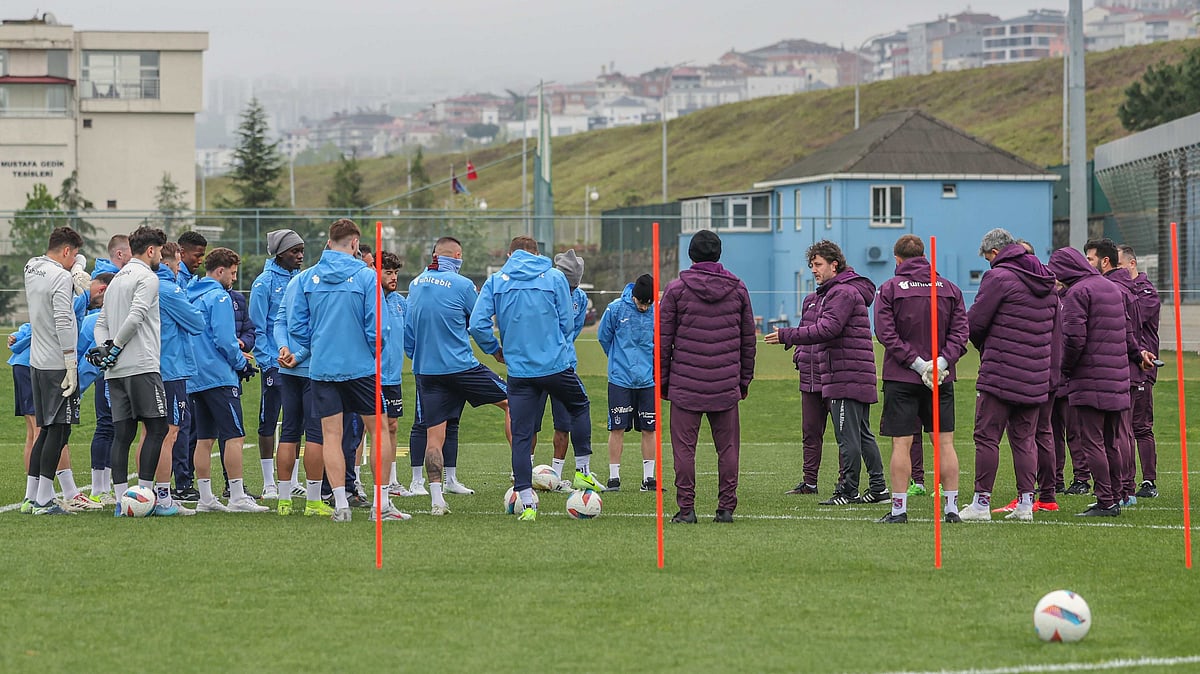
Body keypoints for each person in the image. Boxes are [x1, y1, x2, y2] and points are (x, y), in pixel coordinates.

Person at [470, 236, 600, 522]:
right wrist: (552, 343)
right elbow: (567, 322)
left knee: (522, 434)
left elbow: (477, 325)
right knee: (579, 405)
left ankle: (527, 503)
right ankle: (582, 471)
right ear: (538, 253)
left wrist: (495, 350)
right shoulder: (554, 277)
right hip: (555, 366)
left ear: (510, 255)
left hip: (520, 372)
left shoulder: (496, 281)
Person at [766, 240, 887, 507]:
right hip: (850, 373)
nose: (814, 270)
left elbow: (827, 329)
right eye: (811, 265)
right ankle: (878, 488)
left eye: (818, 264)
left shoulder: (841, 292)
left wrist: (787, 335)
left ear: (835, 265)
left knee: (848, 437)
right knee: (862, 433)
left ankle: (848, 490)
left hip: (845, 375)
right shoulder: (837, 291)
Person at [288, 219, 387, 522]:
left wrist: (319, 344)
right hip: (360, 367)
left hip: (323, 368)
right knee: (379, 431)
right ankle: (381, 504)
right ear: (355, 244)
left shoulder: (306, 278)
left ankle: (341, 504)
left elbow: (296, 327)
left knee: (331, 436)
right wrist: (372, 351)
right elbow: (377, 327)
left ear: (329, 243)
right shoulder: (367, 277)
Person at [407, 236, 513, 514]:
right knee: (513, 402)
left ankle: (437, 500)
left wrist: (418, 357)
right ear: (456, 256)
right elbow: (478, 324)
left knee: (435, 435)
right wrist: (495, 351)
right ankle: (522, 475)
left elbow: (408, 332)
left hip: (427, 371)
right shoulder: (463, 285)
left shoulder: (415, 284)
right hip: (461, 368)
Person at [959, 229, 1057, 521]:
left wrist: (983, 346)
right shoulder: (1046, 280)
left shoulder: (998, 277)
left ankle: (981, 503)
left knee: (986, 437)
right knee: (1025, 439)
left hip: (1001, 370)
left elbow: (975, 323)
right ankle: (1026, 503)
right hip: (1036, 372)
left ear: (995, 252)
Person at [1048, 247, 1153, 517]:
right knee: (1111, 442)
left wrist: (1064, 370)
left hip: (1090, 379)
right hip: (1118, 378)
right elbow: (1128, 333)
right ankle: (1117, 495)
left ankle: (1105, 500)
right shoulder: (1112, 288)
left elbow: (1074, 339)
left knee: (1092, 442)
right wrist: (1138, 355)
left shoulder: (1077, 293)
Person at [871, 234, 967, 523]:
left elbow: (885, 333)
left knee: (901, 444)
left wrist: (916, 363)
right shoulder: (950, 288)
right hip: (941, 377)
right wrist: (941, 362)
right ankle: (951, 508)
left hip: (902, 376)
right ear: (924, 256)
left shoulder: (889, 288)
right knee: (944, 443)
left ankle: (899, 510)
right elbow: (961, 333)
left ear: (897, 259)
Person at [664, 230, 756, 523]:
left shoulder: (676, 289)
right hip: (725, 382)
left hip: (685, 383)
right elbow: (748, 340)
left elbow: (663, 341)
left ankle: (686, 509)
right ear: (718, 254)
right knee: (728, 450)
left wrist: (664, 382)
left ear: (691, 255)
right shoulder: (738, 288)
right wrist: (744, 380)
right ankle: (726, 508)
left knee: (684, 450)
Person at [91, 227, 178, 516]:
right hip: (141, 365)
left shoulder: (117, 279)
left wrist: (105, 349)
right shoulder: (148, 277)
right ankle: (144, 498)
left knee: (123, 433)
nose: (160, 258)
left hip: (115, 371)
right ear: (151, 250)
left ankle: (121, 502)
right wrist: (115, 347)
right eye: (159, 252)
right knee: (158, 428)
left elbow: (100, 322)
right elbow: (137, 315)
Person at [187, 247, 268, 513]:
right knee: (235, 436)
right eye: (232, 273)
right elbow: (224, 339)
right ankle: (236, 496)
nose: (234, 279)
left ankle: (205, 498)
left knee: (204, 438)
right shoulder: (219, 297)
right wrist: (241, 363)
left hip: (196, 377)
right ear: (220, 271)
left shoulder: (191, 294)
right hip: (219, 377)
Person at [20, 226, 84, 515]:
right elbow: (63, 320)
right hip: (58, 362)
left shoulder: (32, 267)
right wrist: (71, 361)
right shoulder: (60, 277)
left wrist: (76, 266)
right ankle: (44, 500)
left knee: (45, 430)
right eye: (74, 255)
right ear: (67, 251)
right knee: (59, 431)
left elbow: (63, 262)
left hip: (36, 361)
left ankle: (31, 496)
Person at [1086, 238, 1153, 507]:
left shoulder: (1116, 290)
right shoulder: (1127, 288)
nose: (1087, 264)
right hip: (1127, 366)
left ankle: (1125, 489)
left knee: (1121, 432)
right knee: (1121, 431)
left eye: (1090, 259)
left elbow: (1127, 333)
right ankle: (1124, 489)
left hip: (1122, 368)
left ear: (1105, 261)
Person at [147, 242, 204, 516]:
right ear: (168, 262)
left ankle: (145, 493)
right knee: (169, 433)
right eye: (178, 262)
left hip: (150, 366)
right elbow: (197, 322)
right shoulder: (168, 289)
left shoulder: (145, 284)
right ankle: (163, 497)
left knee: (149, 434)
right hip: (170, 368)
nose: (180, 267)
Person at [250, 229, 305, 500]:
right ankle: (269, 482)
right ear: (280, 253)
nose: (300, 255)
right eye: (295, 251)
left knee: (296, 421)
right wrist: (267, 361)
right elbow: (258, 327)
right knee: (269, 420)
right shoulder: (264, 283)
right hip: (275, 363)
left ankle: (292, 480)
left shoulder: (302, 280)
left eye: (301, 250)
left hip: (300, 363)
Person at [273, 273, 334, 517]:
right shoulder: (325, 284)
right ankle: (313, 502)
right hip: (312, 369)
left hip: (287, 368)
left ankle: (284, 501)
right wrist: (298, 356)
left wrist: (283, 348)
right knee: (315, 434)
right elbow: (322, 330)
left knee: (289, 431)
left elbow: (279, 321)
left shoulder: (294, 282)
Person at [534, 249, 590, 490]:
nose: (571, 291)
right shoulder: (542, 291)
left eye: (574, 287)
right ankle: (523, 472)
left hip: (565, 365)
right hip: (536, 366)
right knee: (530, 424)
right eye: (568, 286)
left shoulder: (581, 298)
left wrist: (562, 350)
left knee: (563, 424)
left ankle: (555, 476)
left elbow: (573, 329)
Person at [597, 274, 657, 492]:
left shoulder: (657, 312)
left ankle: (648, 479)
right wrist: (617, 361)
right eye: (641, 303)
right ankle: (614, 478)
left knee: (649, 428)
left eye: (648, 304)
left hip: (648, 380)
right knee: (617, 427)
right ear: (634, 296)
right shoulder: (615, 309)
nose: (644, 307)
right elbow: (604, 337)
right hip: (620, 379)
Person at [1118, 244, 1162, 498]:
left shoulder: (1146, 293)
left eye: (1119, 265)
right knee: (1121, 427)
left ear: (1132, 264)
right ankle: (1124, 482)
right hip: (1122, 366)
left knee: (1141, 426)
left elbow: (1130, 319)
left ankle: (1148, 481)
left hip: (1143, 366)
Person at [371, 251, 412, 520]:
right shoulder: (369, 300)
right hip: (370, 376)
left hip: (393, 377)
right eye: (388, 272)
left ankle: (393, 480)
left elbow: (409, 336)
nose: (393, 277)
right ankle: (355, 482)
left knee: (392, 426)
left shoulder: (400, 303)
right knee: (366, 429)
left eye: (396, 273)